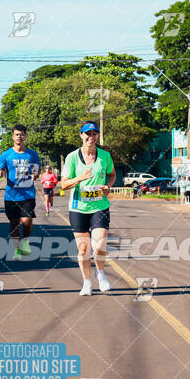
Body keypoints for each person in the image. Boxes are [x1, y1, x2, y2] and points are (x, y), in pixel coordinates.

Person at [60, 120, 116, 296]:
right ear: (81, 135)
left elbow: (112, 175)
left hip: (100, 206)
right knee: (83, 249)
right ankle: (86, 283)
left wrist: (108, 186)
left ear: (97, 136)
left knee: (99, 245)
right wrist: (79, 178)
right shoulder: (72, 157)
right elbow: (63, 184)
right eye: (87, 133)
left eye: (94, 133)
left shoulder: (105, 156)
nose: (91, 137)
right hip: (78, 208)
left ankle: (100, 273)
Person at [0, 124, 41, 260]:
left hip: (28, 194)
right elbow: (0, 169)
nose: (19, 137)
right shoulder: (6, 154)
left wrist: (35, 174)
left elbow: (37, 170)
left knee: (27, 220)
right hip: (11, 195)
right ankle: (16, 249)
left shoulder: (32, 154)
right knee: (14, 222)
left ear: (25, 136)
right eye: (17, 134)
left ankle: (25, 241)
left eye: (21, 134)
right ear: (13, 136)